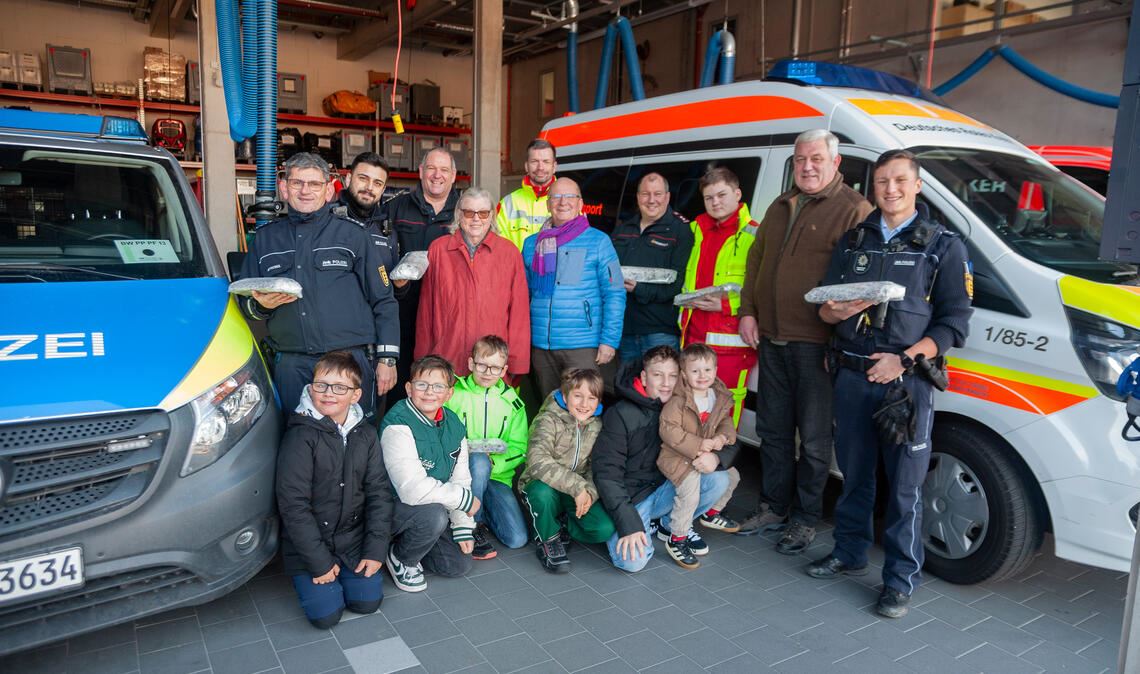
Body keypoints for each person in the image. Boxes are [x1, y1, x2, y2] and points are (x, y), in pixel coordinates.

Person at [805, 149, 973, 619]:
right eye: (881, 181)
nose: (891, 189)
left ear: (917, 185)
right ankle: (849, 552)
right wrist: (832, 312)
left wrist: (904, 359)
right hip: (852, 377)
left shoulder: (942, 246)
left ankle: (899, 580)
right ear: (872, 187)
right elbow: (824, 304)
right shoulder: (854, 241)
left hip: (906, 386)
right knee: (855, 476)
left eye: (900, 180)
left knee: (903, 488)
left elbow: (954, 325)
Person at [735, 130, 874, 552]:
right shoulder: (781, 205)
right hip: (773, 340)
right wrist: (747, 311)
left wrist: (840, 341)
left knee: (814, 441)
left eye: (816, 158)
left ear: (836, 163)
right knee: (773, 431)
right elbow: (755, 262)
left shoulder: (854, 209)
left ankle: (806, 518)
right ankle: (773, 506)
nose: (807, 166)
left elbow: (860, 285)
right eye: (800, 160)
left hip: (817, 347)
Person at [238, 152, 399, 418]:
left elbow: (384, 300)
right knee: (297, 442)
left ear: (328, 190)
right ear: (284, 188)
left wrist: (387, 359)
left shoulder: (353, 236)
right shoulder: (265, 241)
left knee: (355, 442)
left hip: (349, 363)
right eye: (297, 182)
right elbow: (245, 305)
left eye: (314, 184)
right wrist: (261, 306)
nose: (305, 191)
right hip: (292, 366)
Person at [275, 352, 393, 629]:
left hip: (353, 541)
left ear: (355, 395)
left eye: (340, 387)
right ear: (311, 388)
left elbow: (379, 492)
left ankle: (343, 575)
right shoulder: (300, 436)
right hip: (311, 546)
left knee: (367, 603)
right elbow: (293, 505)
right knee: (326, 617)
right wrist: (319, 563)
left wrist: (375, 550)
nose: (328, 394)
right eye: (321, 385)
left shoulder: (365, 434)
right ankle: (317, 576)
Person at [591, 346, 729, 572]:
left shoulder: (689, 404)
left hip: (668, 485)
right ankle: (647, 525)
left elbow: (729, 437)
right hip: (634, 497)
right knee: (632, 563)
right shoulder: (621, 414)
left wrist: (716, 456)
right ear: (644, 377)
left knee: (718, 479)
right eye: (658, 375)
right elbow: (607, 474)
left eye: (673, 375)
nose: (666, 383)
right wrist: (630, 524)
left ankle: (669, 525)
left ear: (682, 377)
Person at [380, 355, 479, 592]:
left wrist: (462, 524)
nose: (429, 392)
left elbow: (461, 477)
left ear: (449, 393)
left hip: (429, 505)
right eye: (422, 384)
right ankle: (401, 556)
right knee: (434, 516)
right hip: (391, 507)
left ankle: (415, 540)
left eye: (438, 386)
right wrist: (464, 501)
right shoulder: (398, 423)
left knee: (457, 565)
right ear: (409, 388)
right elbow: (411, 490)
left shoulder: (453, 423)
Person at [522, 177, 626, 399]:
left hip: (582, 346)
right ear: (548, 204)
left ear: (580, 204)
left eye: (570, 196)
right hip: (542, 346)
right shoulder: (532, 244)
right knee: (549, 410)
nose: (562, 202)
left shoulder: (599, 241)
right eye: (556, 197)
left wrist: (609, 340)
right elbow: (524, 294)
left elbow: (615, 293)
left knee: (582, 410)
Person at [416, 187, 530, 380]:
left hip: (491, 366)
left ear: (492, 216)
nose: (476, 218)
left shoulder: (509, 253)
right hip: (446, 361)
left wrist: (516, 364)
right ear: (459, 215)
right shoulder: (438, 249)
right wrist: (422, 359)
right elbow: (426, 310)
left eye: (483, 213)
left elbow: (519, 312)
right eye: (469, 212)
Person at [678, 167, 758, 424]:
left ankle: (721, 458)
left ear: (737, 194)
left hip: (731, 342)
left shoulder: (756, 234)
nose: (715, 202)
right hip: (692, 335)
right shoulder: (694, 231)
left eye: (722, 195)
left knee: (726, 408)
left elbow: (763, 287)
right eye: (709, 198)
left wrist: (727, 304)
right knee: (692, 407)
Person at [382, 148, 461, 406]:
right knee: (403, 380)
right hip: (404, 310)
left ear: (454, 175)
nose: (437, 175)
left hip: (447, 311)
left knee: (442, 375)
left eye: (444, 170)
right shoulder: (396, 207)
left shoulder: (464, 210)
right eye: (431, 168)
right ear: (420, 172)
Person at [519, 368, 616, 573]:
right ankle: (548, 539)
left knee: (603, 529)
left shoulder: (597, 425)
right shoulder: (548, 419)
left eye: (591, 398)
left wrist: (589, 491)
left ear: (598, 402)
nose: (584, 404)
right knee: (542, 494)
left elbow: (596, 467)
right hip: (543, 485)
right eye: (578, 396)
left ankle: (559, 523)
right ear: (565, 395)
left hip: (574, 491)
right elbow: (537, 460)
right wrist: (577, 487)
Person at [444, 336, 531, 559]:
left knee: (517, 539)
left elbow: (520, 448)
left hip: (497, 477)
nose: (487, 372)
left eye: (495, 368)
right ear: (471, 363)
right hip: (460, 473)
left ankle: (481, 510)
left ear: (504, 371)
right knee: (479, 461)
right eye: (482, 365)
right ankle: (473, 524)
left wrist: (497, 463)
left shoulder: (513, 403)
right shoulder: (454, 394)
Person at [657, 344, 742, 568]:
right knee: (690, 493)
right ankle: (677, 538)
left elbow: (726, 423)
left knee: (733, 477)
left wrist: (721, 439)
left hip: (705, 452)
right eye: (695, 371)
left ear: (715, 370)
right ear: (684, 374)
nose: (702, 376)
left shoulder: (718, 397)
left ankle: (711, 514)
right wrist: (699, 445)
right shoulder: (678, 400)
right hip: (677, 456)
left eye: (707, 370)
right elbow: (669, 431)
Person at [611, 172, 694, 362]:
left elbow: (679, 284)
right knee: (628, 390)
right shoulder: (623, 230)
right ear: (638, 197)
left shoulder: (681, 231)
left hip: (660, 331)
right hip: (625, 331)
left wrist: (640, 289)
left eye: (657, 194)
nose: (651, 200)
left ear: (667, 197)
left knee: (660, 390)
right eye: (645, 194)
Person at [497, 139, 557, 250]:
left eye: (546, 161)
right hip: (517, 267)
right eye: (534, 161)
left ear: (554, 167)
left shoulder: (569, 202)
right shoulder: (507, 204)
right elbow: (498, 248)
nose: (540, 167)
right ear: (526, 166)